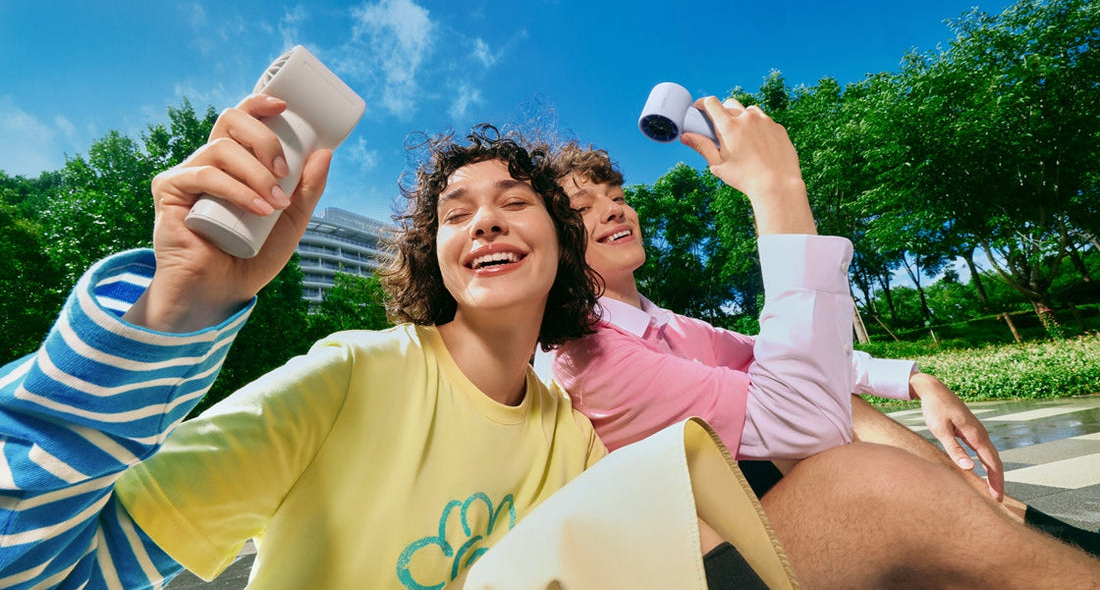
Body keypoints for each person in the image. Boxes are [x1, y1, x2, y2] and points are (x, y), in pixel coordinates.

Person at [0, 95, 803, 589]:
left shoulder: (570, 435)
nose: (484, 220)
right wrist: (173, 310)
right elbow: (45, 567)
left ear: (563, 247)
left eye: (514, 202)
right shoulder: (349, 377)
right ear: (434, 255)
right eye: (456, 211)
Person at [543, 95, 1100, 579]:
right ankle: (1013, 538)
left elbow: (772, 356)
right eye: (583, 209)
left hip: (750, 507)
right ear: (555, 242)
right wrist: (777, 187)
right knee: (853, 463)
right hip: (701, 564)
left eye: (617, 195)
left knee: (844, 407)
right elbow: (804, 412)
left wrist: (913, 378)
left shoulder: (665, 324)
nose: (614, 210)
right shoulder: (589, 358)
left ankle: (1014, 522)